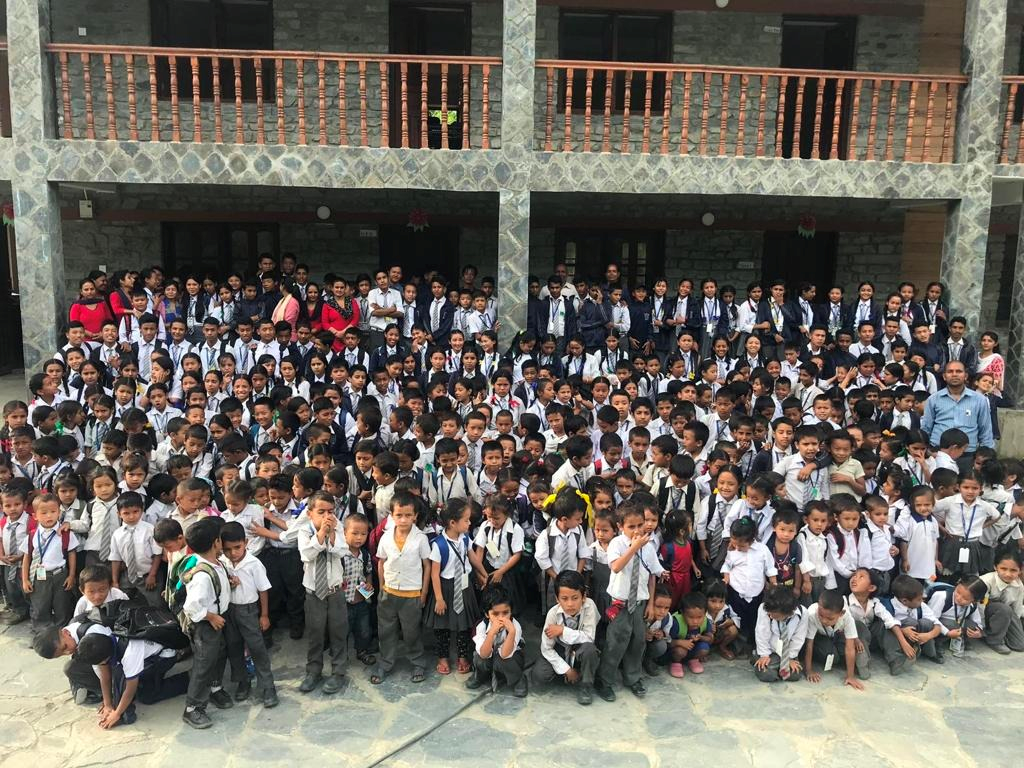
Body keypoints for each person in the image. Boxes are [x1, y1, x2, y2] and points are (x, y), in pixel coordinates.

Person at [595, 500, 665, 702]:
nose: (637, 530)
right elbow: (616, 567)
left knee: (637, 641)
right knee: (616, 642)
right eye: (631, 526)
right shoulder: (617, 544)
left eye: (640, 525)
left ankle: (633, 677)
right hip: (620, 603)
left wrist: (651, 601)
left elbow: (653, 573)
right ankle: (604, 680)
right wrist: (633, 548)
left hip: (640, 603)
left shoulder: (648, 546)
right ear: (620, 527)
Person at [180, 516, 232, 730]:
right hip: (206, 625)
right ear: (215, 543)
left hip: (217, 622)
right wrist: (211, 616)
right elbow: (192, 607)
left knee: (219, 655)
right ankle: (192, 707)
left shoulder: (216, 563)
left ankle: (214, 688)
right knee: (204, 663)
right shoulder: (202, 575)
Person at [373, 492, 430, 684]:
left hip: (412, 594)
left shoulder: (420, 539)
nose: (403, 519)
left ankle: (417, 662)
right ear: (392, 515)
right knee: (386, 631)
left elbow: (427, 565)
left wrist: (423, 593)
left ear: (415, 516)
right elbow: (381, 563)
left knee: (411, 631)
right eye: (399, 515)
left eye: (408, 515)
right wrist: (382, 587)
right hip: (389, 592)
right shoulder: (386, 537)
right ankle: (385, 663)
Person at [219, 521, 278, 707]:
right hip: (229, 610)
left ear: (245, 542)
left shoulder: (254, 564)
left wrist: (264, 615)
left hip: (249, 610)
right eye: (227, 549)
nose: (233, 553)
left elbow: (263, 590)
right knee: (234, 647)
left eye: (237, 547)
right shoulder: (222, 562)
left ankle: (267, 686)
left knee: (257, 647)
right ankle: (242, 681)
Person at [297, 490, 350, 694]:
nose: (327, 516)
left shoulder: (338, 527)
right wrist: (320, 535)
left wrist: (332, 534)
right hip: (313, 592)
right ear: (310, 513)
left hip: (335, 591)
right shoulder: (304, 531)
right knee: (315, 633)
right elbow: (307, 555)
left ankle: (338, 672)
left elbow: (342, 551)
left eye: (331, 511)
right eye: (321, 512)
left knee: (338, 632)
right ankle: (313, 671)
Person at [533, 569, 599, 705]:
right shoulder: (553, 614)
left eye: (575, 598)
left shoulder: (589, 606)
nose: (570, 604)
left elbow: (589, 637)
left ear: (583, 596)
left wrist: (563, 630)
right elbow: (546, 648)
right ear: (557, 599)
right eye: (564, 599)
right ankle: (568, 675)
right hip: (561, 649)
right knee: (539, 674)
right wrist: (567, 670)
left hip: (581, 648)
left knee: (590, 650)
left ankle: (586, 685)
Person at [466, 582, 527, 697]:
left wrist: (512, 632)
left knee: (503, 660)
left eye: (505, 613)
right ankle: (480, 675)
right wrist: (491, 633)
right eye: (495, 614)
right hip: (488, 656)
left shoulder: (515, 627)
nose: (501, 618)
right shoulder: (481, 626)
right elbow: (484, 654)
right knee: (479, 658)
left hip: (508, 658)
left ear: (511, 612)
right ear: (487, 614)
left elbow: (505, 654)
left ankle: (518, 678)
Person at [802, 589, 868, 689]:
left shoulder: (847, 617)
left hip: (838, 634)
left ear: (841, 613)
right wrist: (809, 671)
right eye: (821, 615)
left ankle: (861, 661)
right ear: (818, 606)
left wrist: (850, 676)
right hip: (819, 637)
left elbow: (849, 648)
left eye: (830, 618)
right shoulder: (812, 614)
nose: (824, 620)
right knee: (833, 656)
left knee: (850, 646)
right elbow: (809, 644)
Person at [752, 586, 808, 682]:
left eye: (774, 615)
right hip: (770, 652)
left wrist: (790, 658)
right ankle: (762, 660)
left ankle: (775, 667)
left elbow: (799, 638)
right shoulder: (764, 608)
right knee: (767, 676)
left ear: (788, 613)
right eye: (769, 613)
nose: (770, 616)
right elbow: (761, 633)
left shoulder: (803, 613)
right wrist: (764, 655)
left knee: (794, 675)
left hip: (788, 652)